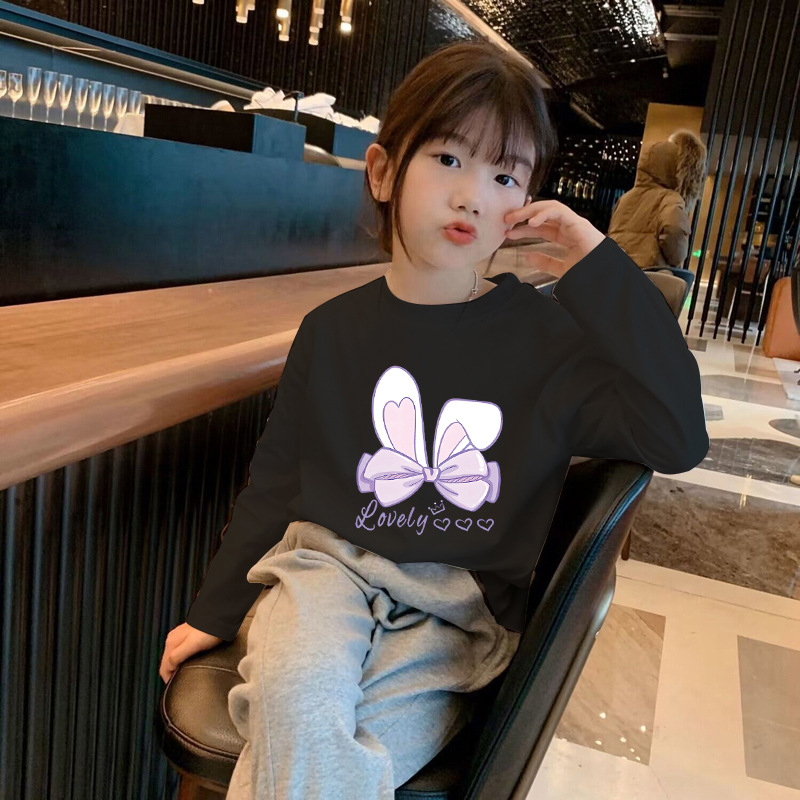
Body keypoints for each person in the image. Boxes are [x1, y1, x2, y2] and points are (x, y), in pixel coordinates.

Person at [159, 40, 709, 799]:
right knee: (298, 702)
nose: (472, 195)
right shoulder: (331, 331)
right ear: (383, 173)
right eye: (449, 158)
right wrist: (215, 612)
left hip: (455, 615)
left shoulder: (546, 344)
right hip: (321, 574)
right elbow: (275, 483)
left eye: (505, 175)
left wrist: (596, 260)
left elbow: (677, 437)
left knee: (341, 760)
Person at [608, 128, 707, 270]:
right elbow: (675, 240)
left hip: (617, 269)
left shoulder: (625, 198)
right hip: (649, 273)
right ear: (673, 167)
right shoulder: (670, 199)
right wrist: (675, 257)